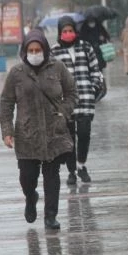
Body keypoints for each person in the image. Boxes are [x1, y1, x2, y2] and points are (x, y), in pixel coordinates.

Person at [0, 29, 78, 230]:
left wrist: (65, 112)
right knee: (27, 177)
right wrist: (7, 130)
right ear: (25, 51)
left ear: (44, 49)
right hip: (27, 135)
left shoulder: (57, 68)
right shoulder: (16, 73)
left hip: (54, 132)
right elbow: (7, 102)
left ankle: (51, 216)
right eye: (31, 50)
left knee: (52, 177)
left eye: (38, 49)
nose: (35, 53)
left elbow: (71, 92)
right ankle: (30, 196)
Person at [50, 15, 102, 185]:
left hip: (86, 99)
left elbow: (95, 69)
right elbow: (50, 76)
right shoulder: (54, 51)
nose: (68, 33)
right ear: (60, 33)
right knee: (69, 138)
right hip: (65, 103)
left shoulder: (86, 47)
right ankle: (71, 171)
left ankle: (82, 165)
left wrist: (94, 88)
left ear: (75, 31)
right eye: (64, 31)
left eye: (70, 30)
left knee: (85, 134)